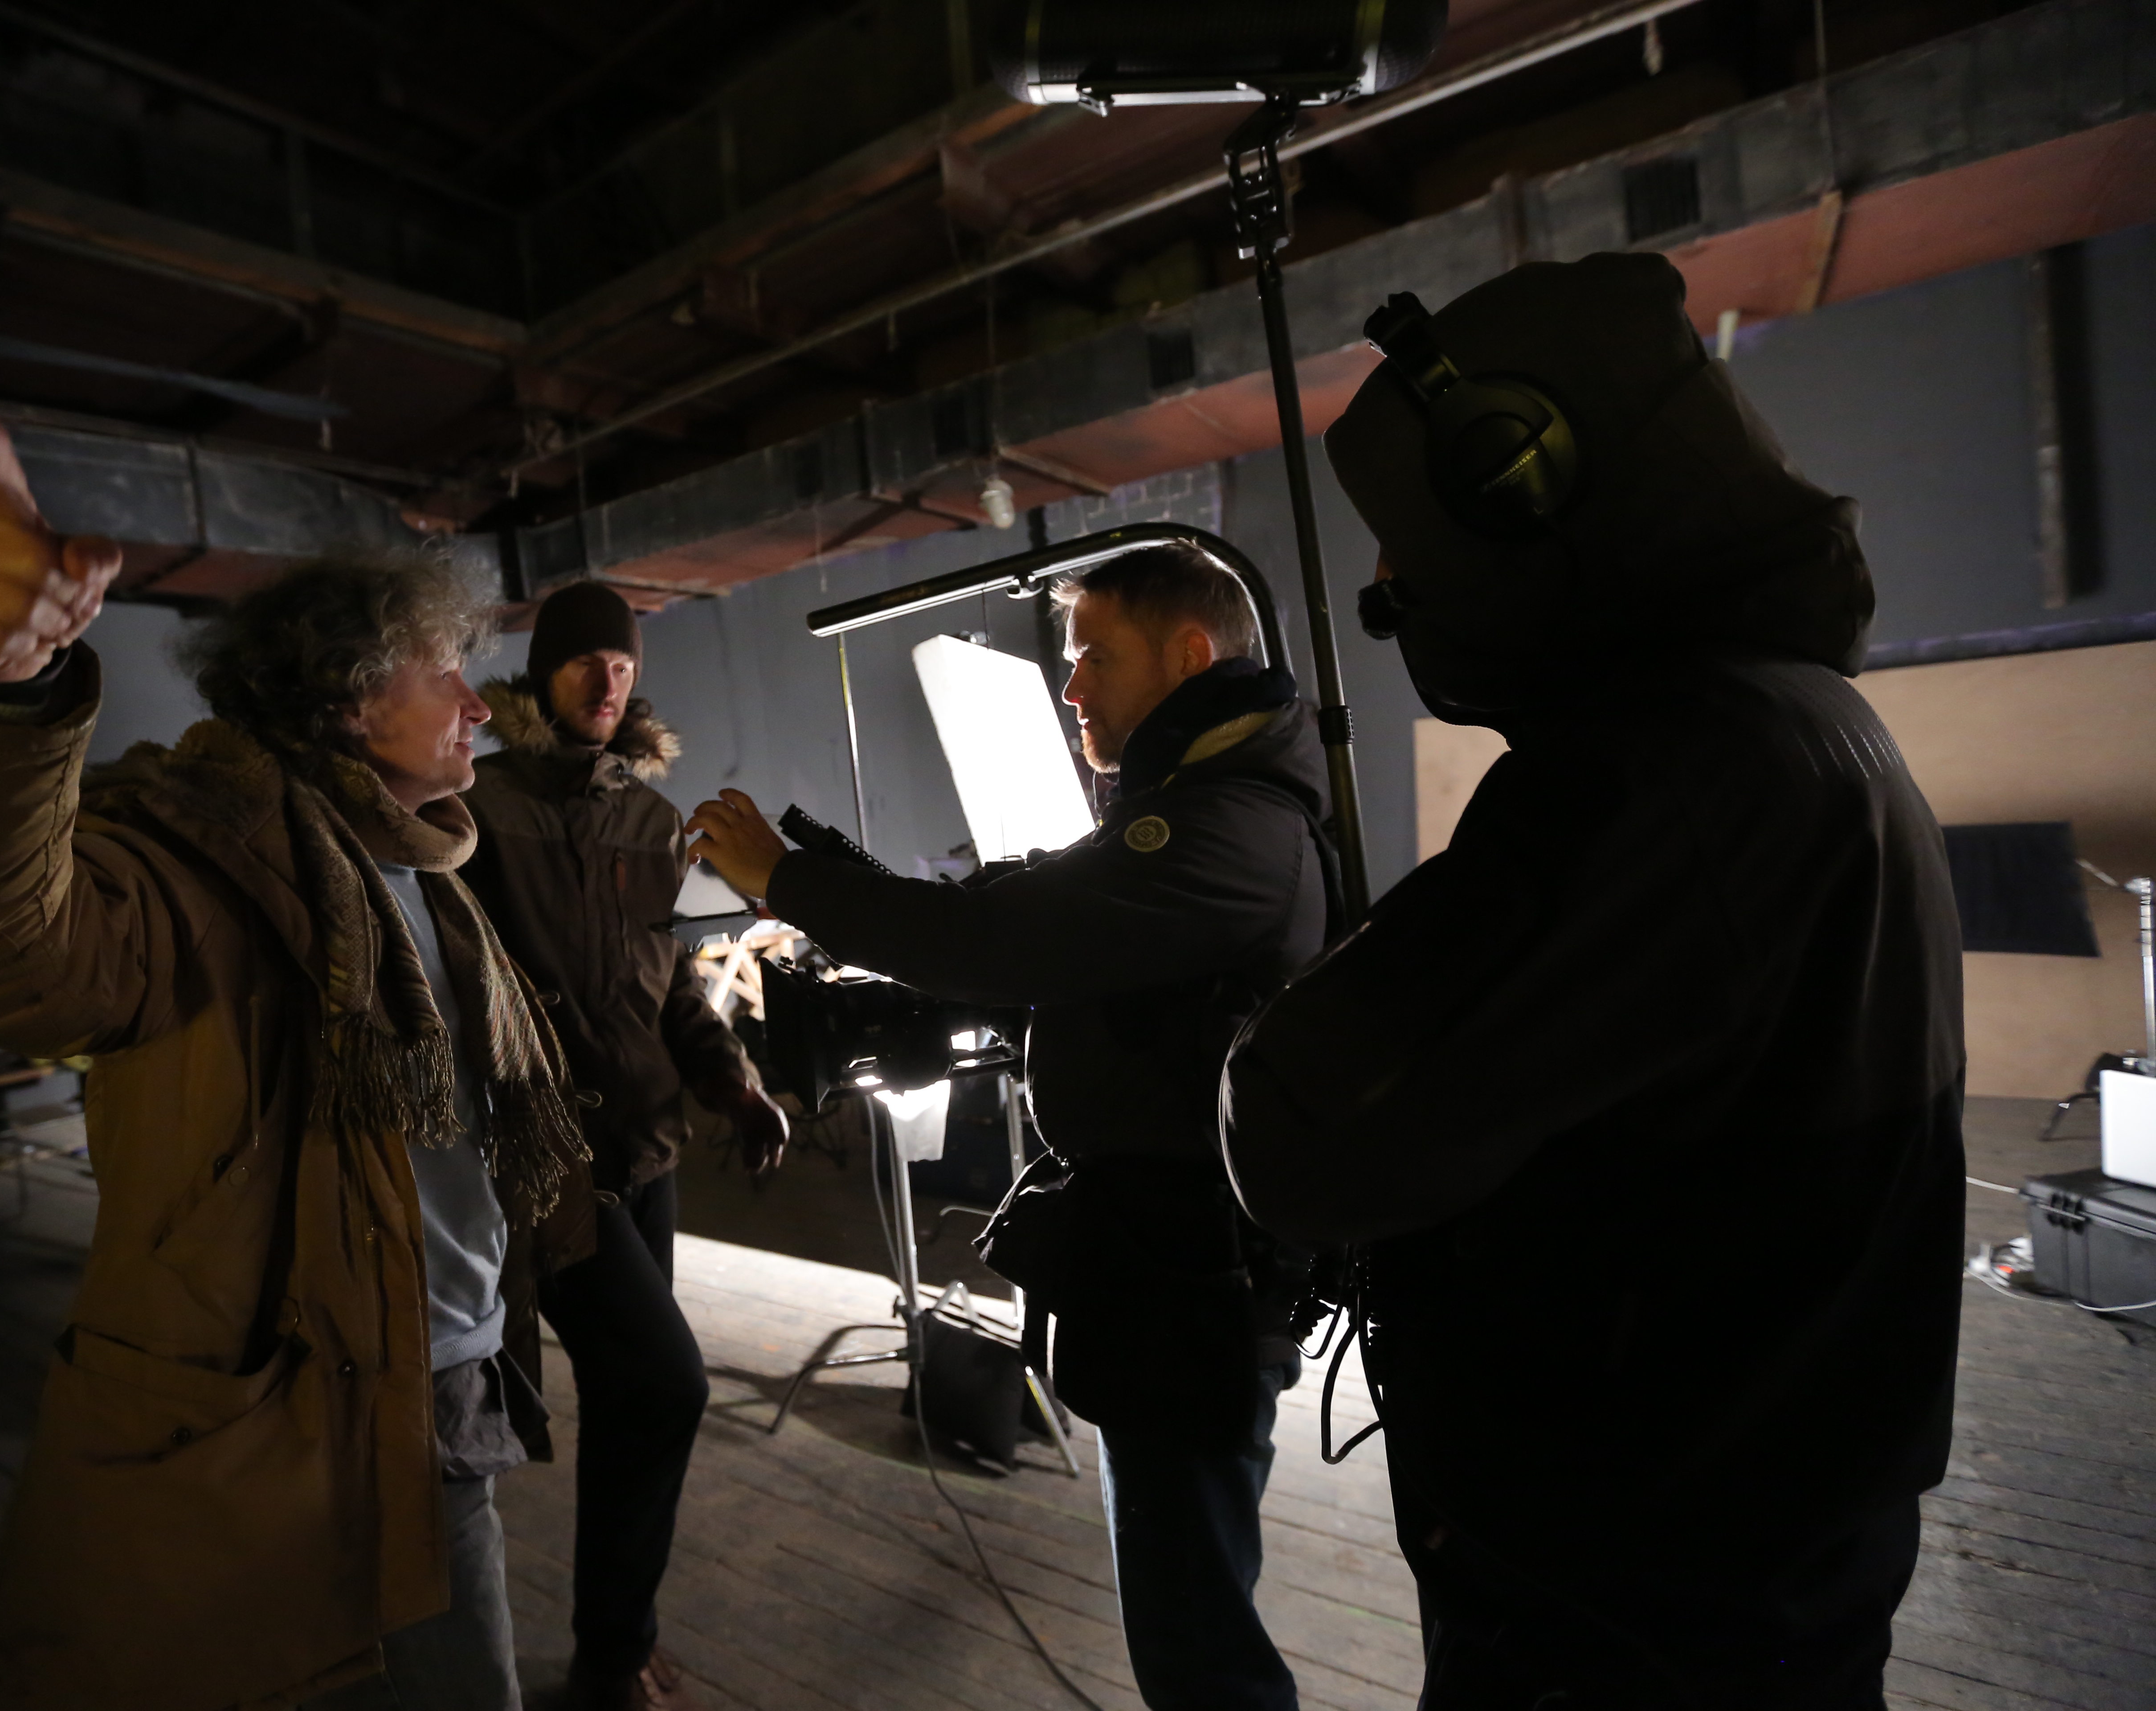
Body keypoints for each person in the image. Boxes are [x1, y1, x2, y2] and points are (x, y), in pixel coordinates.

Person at [1222, 254, 1964, 1707]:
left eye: (1411, 548)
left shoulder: (1657, 777)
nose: (1390, 594)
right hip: (1765, 1549)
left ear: (1523, 487)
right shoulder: (1806, 724)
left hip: (1630, 1600)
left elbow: (1306, 1130)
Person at [0, 418, 595, 1711]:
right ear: (349, 698)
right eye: (445, 670)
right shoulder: (196, 860)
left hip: (448, 1384)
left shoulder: (428, 873)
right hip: (273, 1419)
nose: (479, 703)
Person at [686, 544, 1330, 1711]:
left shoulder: (1228, 828)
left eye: (1096, 658)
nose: (1072, 686)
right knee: (1186, 1609)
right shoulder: (1195, 813)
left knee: (1197, 1641)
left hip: (1194, 1283)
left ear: (1190, 656)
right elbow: (1024, 926)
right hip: (1163, 1271)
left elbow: (1002, 942)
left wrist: (790, 882)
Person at [460, 579, 787, 1711]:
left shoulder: (650, 820)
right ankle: (612, 1654)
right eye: (587, 661)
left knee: (628, 1397)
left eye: (625, 665)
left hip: (650, 1150)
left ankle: (612, 1636)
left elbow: (671, 982)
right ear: (543, 672)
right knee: (665, 1385)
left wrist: (731, 1082)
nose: (609, 681)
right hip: (554, 1159)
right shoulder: (477, 809)